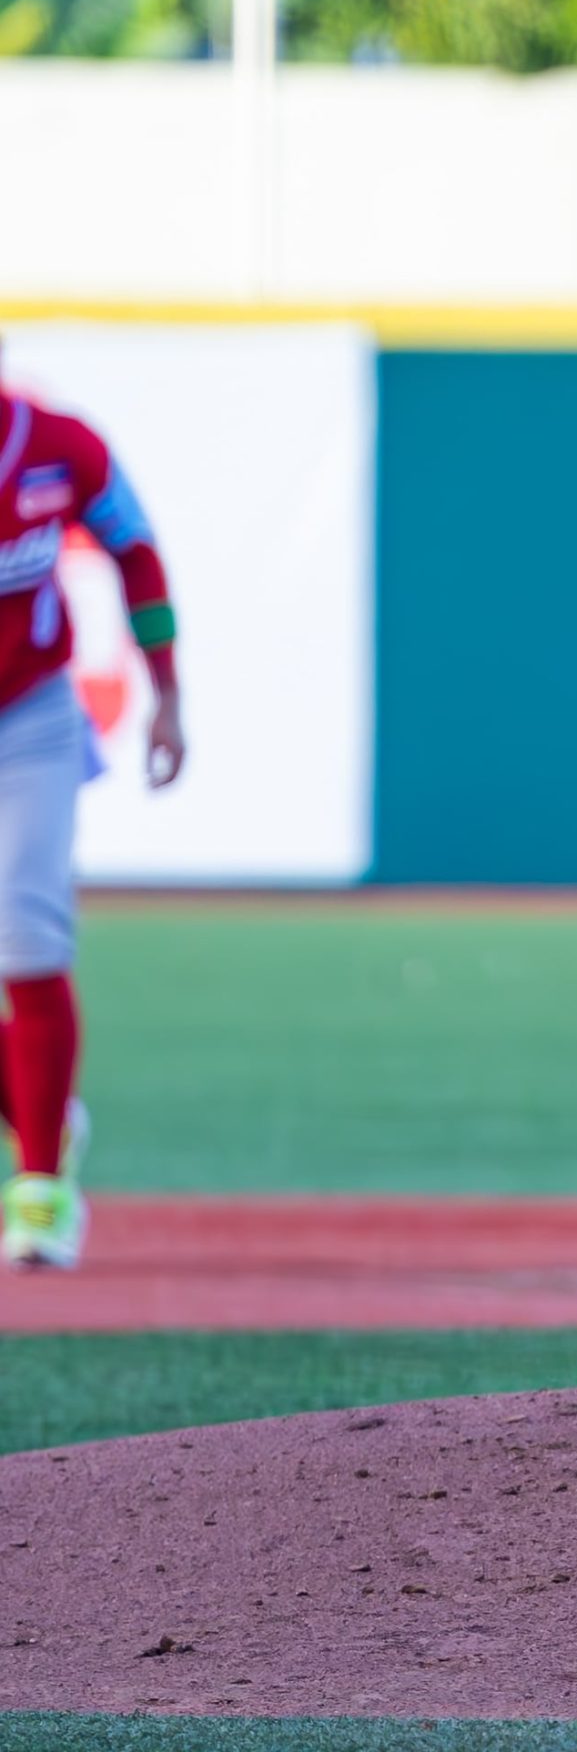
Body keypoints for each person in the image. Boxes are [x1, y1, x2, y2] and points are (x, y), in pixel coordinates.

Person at [0, 355, 186, 1268]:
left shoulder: (56, 445)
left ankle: (41, 1189)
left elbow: (134, 549)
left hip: (30, 715)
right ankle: (40, 1110)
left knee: (27, 936)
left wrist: (168, 693)